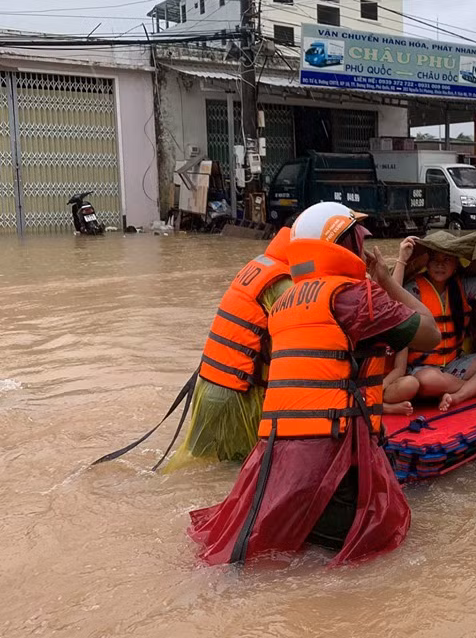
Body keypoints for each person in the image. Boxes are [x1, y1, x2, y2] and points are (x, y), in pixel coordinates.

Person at [188, 203, 441, 566]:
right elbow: (429, 334)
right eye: (359, 239)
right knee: (380, 546)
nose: (365, 248)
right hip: (335, 461)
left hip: (277, 462)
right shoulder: (353, 299)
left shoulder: (286, 300)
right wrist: (385, 278)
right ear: (343, 244)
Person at [92, 228, 294, 471]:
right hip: (236, 400)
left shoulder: (260, 267)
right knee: (235, 475)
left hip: (210, 389)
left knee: (195, 470)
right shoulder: (284, 286)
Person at [393, 235, 476, 411]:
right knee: (428, 381)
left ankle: (459, 395)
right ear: (426, 262)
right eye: (434, 259)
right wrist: (401, 259)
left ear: (457, 264)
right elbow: (392, 297)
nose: (440, 265)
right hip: (422, 368)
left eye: (447, 259)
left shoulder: (463, 286)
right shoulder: (414, 288)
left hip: (454, 363)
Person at [382, 348, 418, 416]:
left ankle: (378, 406)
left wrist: (381, 387)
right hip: (364, 386)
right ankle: (388, 408)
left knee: (411, 383)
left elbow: (400, 369)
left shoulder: (401, 339)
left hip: (386, 386)